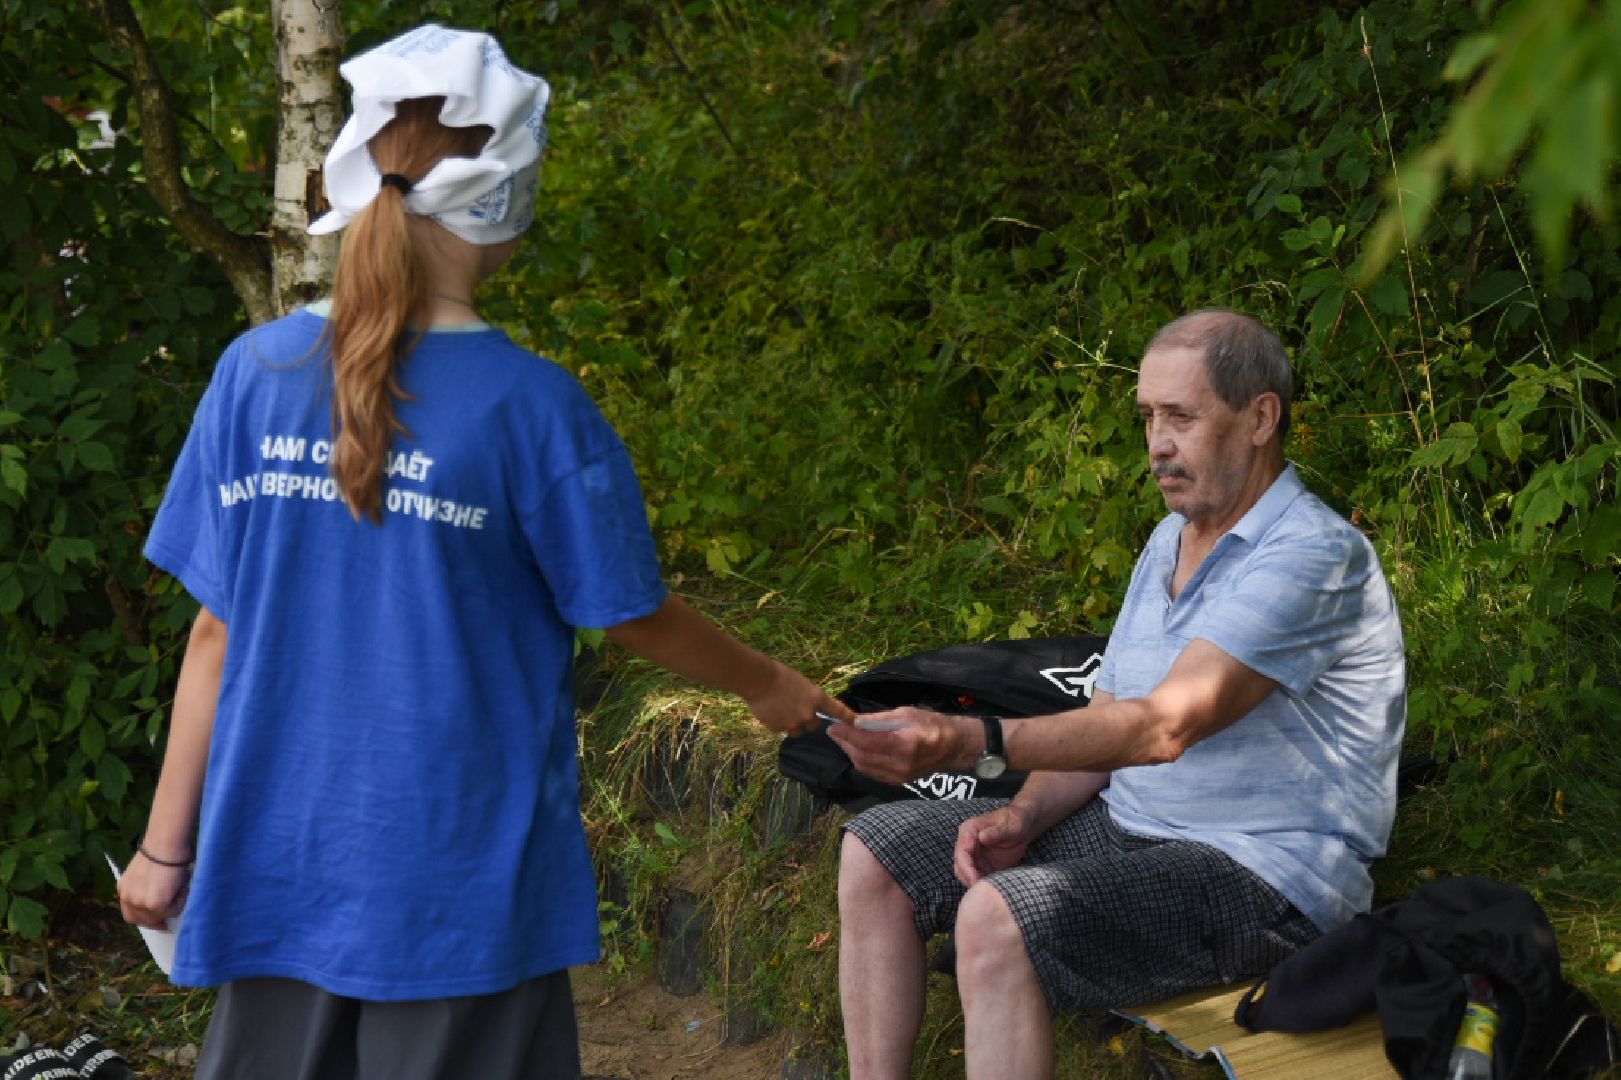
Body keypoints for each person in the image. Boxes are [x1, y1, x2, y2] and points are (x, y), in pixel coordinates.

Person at [116, 25, 850, 1080]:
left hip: (276, 864)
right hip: (460, 884)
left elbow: (214, 632)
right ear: (508, 199)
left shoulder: (253, 372)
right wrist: (768, 683)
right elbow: (627, 610)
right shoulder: (534, 408)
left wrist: (163, 847)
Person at [828, 309, 1407, 1080]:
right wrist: (1021, 814)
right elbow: (1107, 717)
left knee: (997, 917)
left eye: (1180, 417)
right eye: (1146, 417)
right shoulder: (1170, 538)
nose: (1157, 443)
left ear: (1260, 418)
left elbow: (1163, 728)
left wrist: (971, 741)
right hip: (1127, 829)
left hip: (1264, 877)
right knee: (876, 850)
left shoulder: (1313, 554)